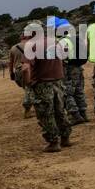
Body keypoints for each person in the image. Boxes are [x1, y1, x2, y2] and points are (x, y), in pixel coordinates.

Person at [18, 23, 72, 153]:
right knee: (60, 111)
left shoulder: (32, 46)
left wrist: (28, 83)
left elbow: (25, 68)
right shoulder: (55, 42)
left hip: (42, 84)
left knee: (46, 114)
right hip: (58, 82)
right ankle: (66, 138)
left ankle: (53, 142)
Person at [56, 18, 88, 124]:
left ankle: (75, 115)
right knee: (79, 91)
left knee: (67, 92)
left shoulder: (63, 41)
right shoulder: (76, 38)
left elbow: (63, 55)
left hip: (68, 68)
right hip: (78, 67)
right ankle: (83, 113)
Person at [8, 32, 33, 117]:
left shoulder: (13, 48)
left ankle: (29, 107)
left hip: (18, 71)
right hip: (29, 69)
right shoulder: (32, 45)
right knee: (29, 89)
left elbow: (10, 63)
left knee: (27, 89)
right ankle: (27, 108)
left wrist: (11, 73)